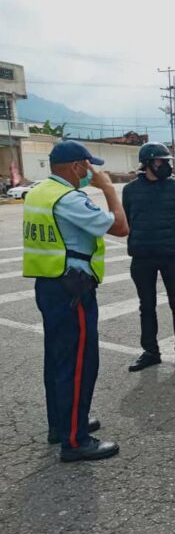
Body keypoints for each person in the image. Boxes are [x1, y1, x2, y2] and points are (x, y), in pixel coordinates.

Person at [24, 140, 129, 461]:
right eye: (88, 166)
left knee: (57, 359)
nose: (91, 172)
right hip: (73, 289)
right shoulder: (69, 199)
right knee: (79, 363)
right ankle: (75, 440)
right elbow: (121, 228)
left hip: (50, 284)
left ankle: (62, 425)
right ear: (76, 167)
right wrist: (109, 188)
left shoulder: (39, 192)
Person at [122, 142, 175, 372]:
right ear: (147, 163)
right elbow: (128, 218)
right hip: (141, 257)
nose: (165, 165)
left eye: (166, 161)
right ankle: (150, 351)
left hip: (171, 257)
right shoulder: (130, 190)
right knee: (146, 305)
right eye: (160, 161)